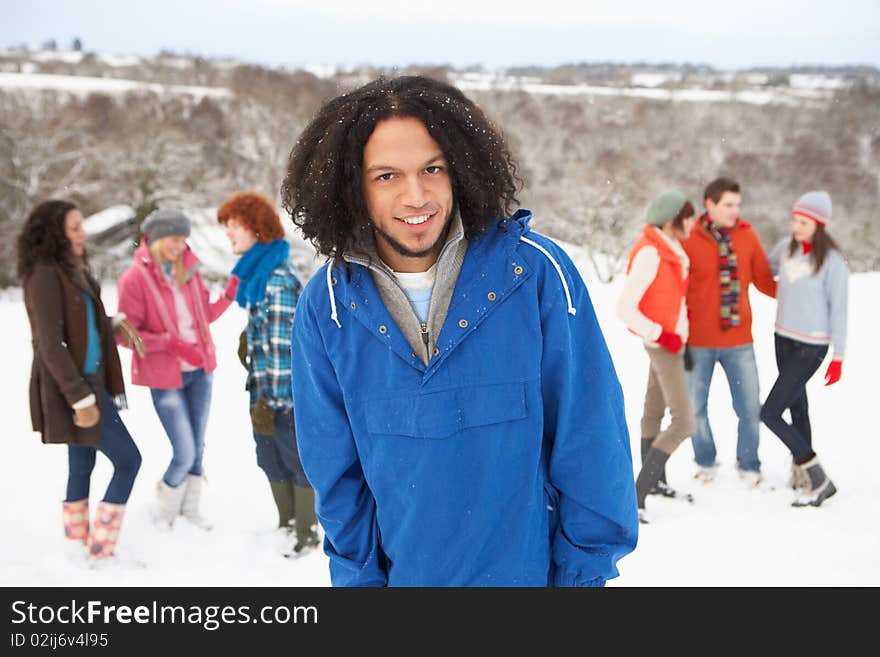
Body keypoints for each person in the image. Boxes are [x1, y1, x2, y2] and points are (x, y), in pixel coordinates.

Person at [281, 75, 638, 587]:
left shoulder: (535, 275)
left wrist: (582, 578)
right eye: (386, 176)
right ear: (350, 186)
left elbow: (591, 439)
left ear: (462, 170)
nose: (416, 195)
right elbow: (339, 481)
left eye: (433, 169)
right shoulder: (328, 308)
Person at [18, 200, 143, 560]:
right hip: (76, 388)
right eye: (73, 228)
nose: (81, 233)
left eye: (80, 226)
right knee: (128, 461)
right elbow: (50, 344)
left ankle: (75, 545)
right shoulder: (43, 273)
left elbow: (81, 325)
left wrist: (111, 323)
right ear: (53, 233)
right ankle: (101, 548)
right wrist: (80, 399)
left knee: (82, 462)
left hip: (91, 380)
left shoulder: (72, 269)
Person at [116, 208, 237, 531]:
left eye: (184, 239)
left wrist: (228, 296)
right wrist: (170, 343)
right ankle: (167, 513)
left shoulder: (190, 271)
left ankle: (190, 511)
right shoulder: (135, 279)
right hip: (165, 377)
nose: (180, 246)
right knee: (183, 451)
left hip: (200, 372)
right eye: (173, 239)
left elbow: (203, 318)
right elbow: (124, 334)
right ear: (155, 240)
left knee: (197, 447)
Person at [217, 190, 319, 555]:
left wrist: (275, 402)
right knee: (270, 459)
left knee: (295, 461)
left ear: (256, 229)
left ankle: (306, 534)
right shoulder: (257, 275)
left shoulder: (276, 279)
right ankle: (287, 524)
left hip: (285, 397)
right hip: (264, 392)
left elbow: (286, 352)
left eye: (234, 226)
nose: (228, 234)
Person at [681, 177, 776, 485]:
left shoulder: (747, 237)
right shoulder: (689, 237)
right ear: (710, 204)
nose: (735, 211)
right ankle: (705, 462)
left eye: (738, 204)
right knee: (694, 410)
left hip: (739, 341)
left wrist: (803, 291)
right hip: (697, 342)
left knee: (750, 408)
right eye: (728, 205)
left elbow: (764, 280)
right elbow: (674, 287)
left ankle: (749, 464)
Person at [760, 191, 846, 507]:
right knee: (797, 407)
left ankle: (817, 475)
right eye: (794, 220)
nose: (796, 227)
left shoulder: (833, 262)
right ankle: (801, 473)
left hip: (812, 346)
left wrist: (838, 357)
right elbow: (762, 269)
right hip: (783, 338)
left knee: (769, 413)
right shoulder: (786, 249)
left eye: (804, 222)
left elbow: (840, 310)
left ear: (819, 224)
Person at [617, 190, 697, 523]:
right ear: (672, 219)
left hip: (672, 343)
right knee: (684, 422)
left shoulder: (670, 249)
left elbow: (675, 301)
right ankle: (636, 494)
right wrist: (662, 335)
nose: (692, 223)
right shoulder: (652, 252)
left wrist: (684, 338)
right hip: (663, 345)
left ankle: (656, 484)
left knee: (653, 412)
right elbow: (624, 308)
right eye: (688, 216)